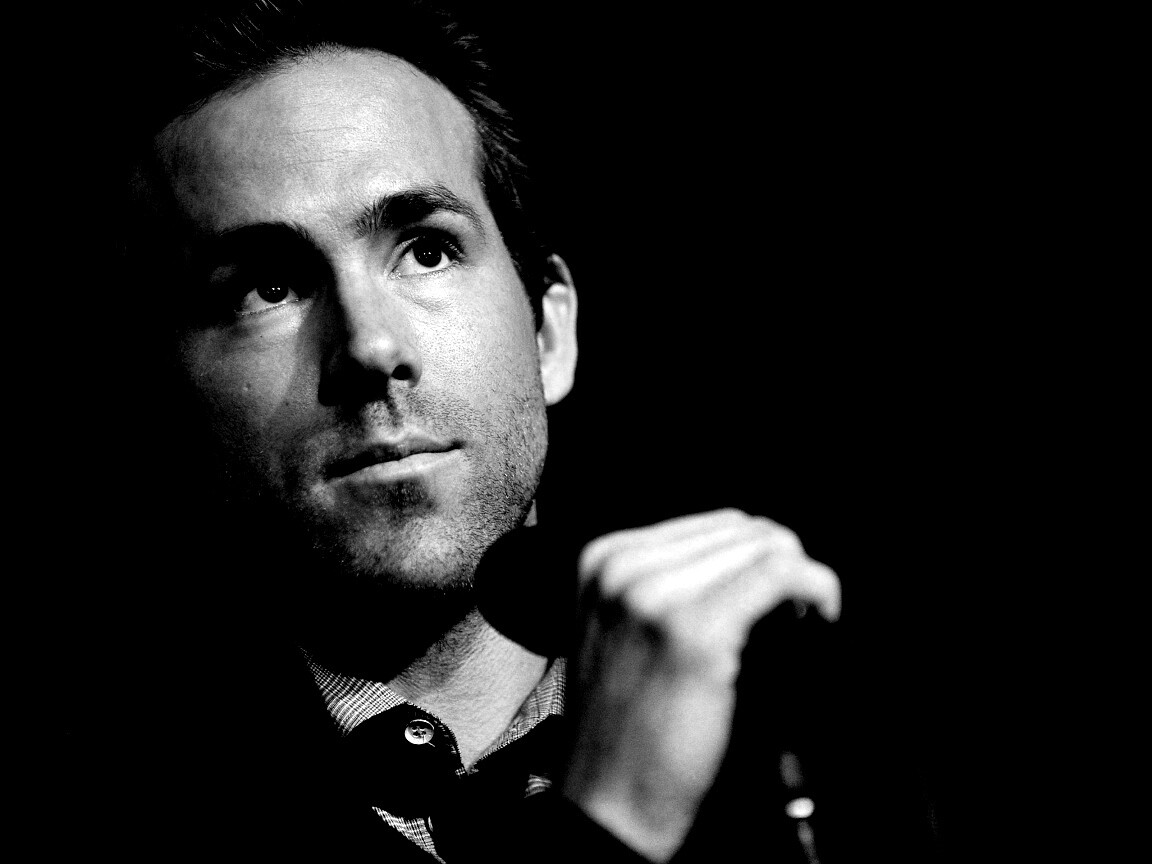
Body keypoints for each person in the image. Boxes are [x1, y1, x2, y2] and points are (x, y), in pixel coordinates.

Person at [53, 1, 939, 861]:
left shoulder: (819, 739)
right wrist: (610, 825)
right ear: (164, 393)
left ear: (550, 333)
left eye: (426, 249)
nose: (370, 347)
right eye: (269, 287)